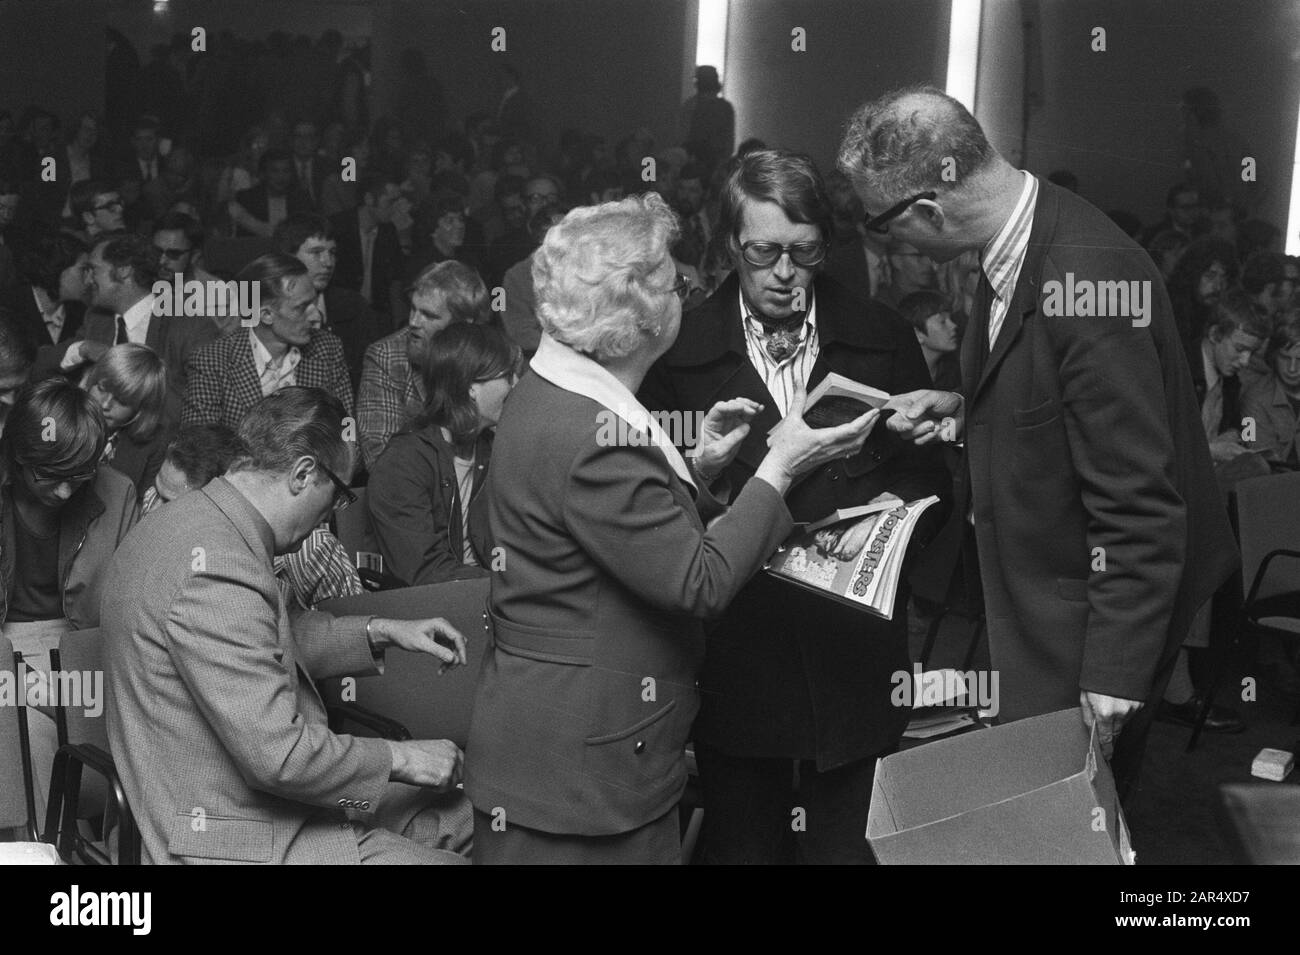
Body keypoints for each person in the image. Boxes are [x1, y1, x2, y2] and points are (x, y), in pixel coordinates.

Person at [839, 86, 1238, 798]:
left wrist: (1115, 671)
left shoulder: (1086, 279)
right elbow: (1058, 399)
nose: (886, 243)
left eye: (881, 226)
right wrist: (966, 408)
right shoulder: (1008, 247)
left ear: (927, 208)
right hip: (1037, 600)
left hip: (1093, 616)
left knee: (1066, 823)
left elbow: (1141, 502)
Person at [464, 192, 881, 864]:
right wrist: (778, 467)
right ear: (640, 316)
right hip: (582, 777)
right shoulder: (594, 430)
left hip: (554, 752)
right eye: (674, 280)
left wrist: (696, 471)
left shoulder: (550, 391)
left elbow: (591, 524)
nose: (686, 291)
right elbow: (699, 581)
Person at [639, 149, 947, 864]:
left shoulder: (881, 334)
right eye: (764, 252)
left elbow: (934, 486)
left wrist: (899, 517)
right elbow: (654, 515)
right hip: (741, 667)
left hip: (854, 664)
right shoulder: (677, 353)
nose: (784, 273)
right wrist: (705, 475)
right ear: (729, 247)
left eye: (804, 253)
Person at [103, 387, 473, 864]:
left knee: (471, 814)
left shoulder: (194, 523)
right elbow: (280, 757)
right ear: (303, 473)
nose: (329, 517)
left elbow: (268, 636)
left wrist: (381, 629)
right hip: (239, 833)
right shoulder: (218, 565)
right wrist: (404, 759)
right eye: (337, 496)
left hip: (263, 803)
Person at [2, 379, 139, 811]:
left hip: (81, 647)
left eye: (79, 476)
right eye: (49, 475)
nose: (64, 492)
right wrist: (25, 685)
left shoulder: (116, 494)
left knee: (38, 736)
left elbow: (129, 608)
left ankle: (51, 851)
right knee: (21, 732)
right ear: (18, 456)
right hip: (5, 646)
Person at [368, 324, 515, 587]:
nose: (515, 385)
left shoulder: (493, 449)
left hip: (487, 593)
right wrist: (511, 585)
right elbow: (424, 571)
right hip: (438, 607)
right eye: (507, 376)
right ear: (472, 387)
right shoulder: (403, 463)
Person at [41, 233, 217, 408]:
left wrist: (126, 373)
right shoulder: (98, 319)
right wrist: (82, 348)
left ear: (124, 270)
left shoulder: (191, 326)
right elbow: (40, 366)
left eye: (93, 270)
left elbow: (201, 405)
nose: (87, 280)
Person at [183, 252, 354, 431]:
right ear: (266, 315)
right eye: (301, 307)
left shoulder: (328, 349)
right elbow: (200, 447)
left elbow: (347, 429)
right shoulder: (212, 361)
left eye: (314, 302)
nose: (315, 315)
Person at [357, 261, 488, 470]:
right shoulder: (386, 357)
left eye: (429, 315)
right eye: (413, 309)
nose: (414, 322)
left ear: (464, 325)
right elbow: (380, 456)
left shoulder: (495, 359)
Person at [273, 214, 387, 387]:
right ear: (288, 257)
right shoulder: (254, 301)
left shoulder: (354, 306)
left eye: (332, 253)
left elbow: (372, 377)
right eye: (316, 253)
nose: (328, 262)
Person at [84, 342, 170, 504]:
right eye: (102, 389)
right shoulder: (62, 414)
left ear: (141, 409)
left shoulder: (154, 443)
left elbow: (138, 506)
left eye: (121, 400)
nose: (105, 404)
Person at [1242, 316, 1300, 468]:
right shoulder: (1254, 398)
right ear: (1274, 355)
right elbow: (1257, 457)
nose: (1292, 368)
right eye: (1285, 358)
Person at [899, 289, 961, 390]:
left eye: (951, 319)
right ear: (917, 334)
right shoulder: (899, 378)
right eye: (942, 321)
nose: (953, 325)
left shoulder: (956, 373)